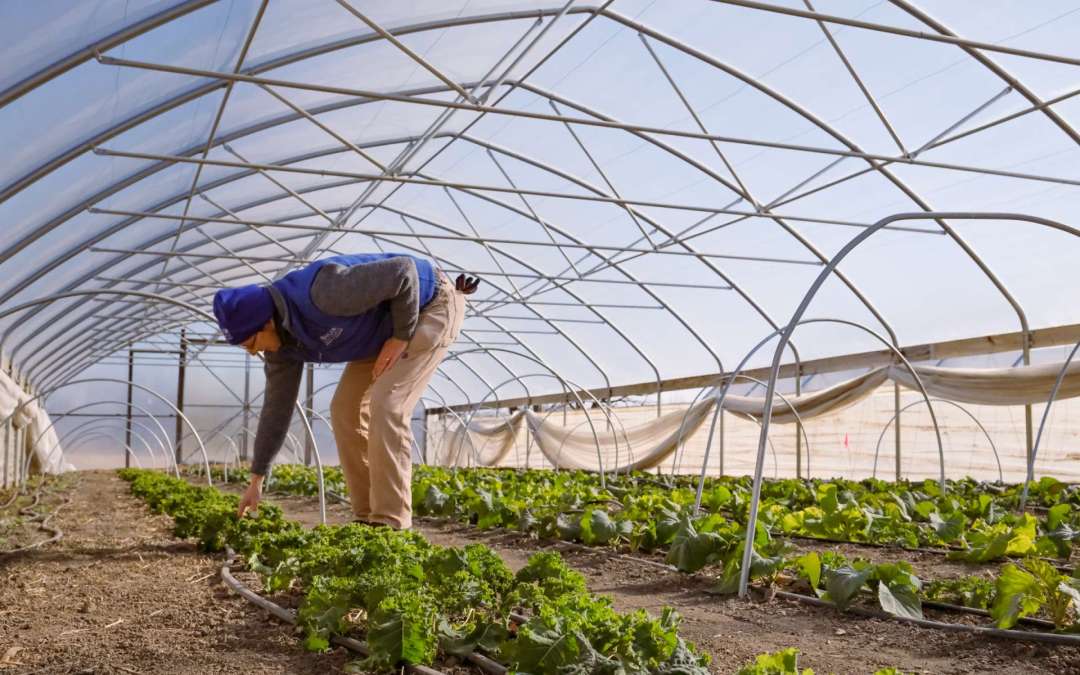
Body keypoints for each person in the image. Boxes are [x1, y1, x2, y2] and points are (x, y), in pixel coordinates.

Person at [211, 252, 478, 529]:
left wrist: (400, 337)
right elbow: (276, 409)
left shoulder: (323, 292)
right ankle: (367, 517)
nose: (254, 352)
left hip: (428, 307)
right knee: (344, 409)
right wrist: (257, 480)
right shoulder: (283, 350)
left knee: (388, 404)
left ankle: (392, 522)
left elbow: (404, 271)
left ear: (265, 321)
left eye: (251, 343)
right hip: (381, 333)